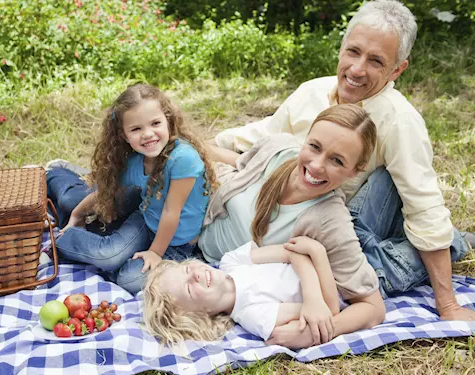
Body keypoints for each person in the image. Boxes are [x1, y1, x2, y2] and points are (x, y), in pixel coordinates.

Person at [207, 0, 475, 327]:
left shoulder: (400, 122)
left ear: (397, 70)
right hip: (304, 226)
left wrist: (447, 305)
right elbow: (263, 137)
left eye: (376, 61)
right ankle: (445, 242)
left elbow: (425, 208)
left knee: (372, 270)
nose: (358, 69)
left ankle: (450, 243)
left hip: (352, 224)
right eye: (353, 52)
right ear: (341, 49)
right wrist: (201, 144)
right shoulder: (311, 92)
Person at [193, 103, 384, 347]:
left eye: (336, 160)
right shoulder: (278, 149)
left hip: (221, 267)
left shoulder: (330, 221)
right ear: (305, 139)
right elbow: (241, 165)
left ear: (354, 172)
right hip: (195, 238)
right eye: (314, 147)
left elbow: (373, 307)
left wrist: (318, 332)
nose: (316, 165)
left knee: (386, 262)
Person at [46, 83, 217, 294]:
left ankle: (112, 250)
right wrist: (76, 215)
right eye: (136, 129)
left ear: (168, 122)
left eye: (155, 123)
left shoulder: (183, 159)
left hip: (178, 244)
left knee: (129, 280)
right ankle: (62, 237)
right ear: (124, 136)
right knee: (107, 255)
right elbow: (106, 192)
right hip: (145, 222)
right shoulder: (137, 162)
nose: (147, 134)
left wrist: (154, 253)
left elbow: (171, 212)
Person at [144, 238, 385, 348]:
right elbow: (326, 311)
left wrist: (312, 292)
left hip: (349, 243)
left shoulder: (231, 261)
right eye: (189, 287)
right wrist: (317, 255)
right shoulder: (254, 315)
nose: (194, 273)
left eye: (187, 268)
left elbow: (293, 251)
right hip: (375, 274)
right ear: (200, 314)